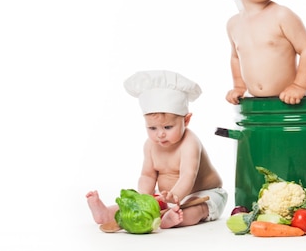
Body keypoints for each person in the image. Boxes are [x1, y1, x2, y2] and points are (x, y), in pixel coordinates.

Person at [86, 70, 228, 228]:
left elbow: (188, 175)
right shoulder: (150, 146)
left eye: (168, 127)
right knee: (139, 204)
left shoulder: (190, 142)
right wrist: (143, 198)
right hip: (168, 198)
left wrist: (175, 196)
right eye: (152, 128)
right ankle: (106, 213)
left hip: (205, 194)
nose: (160, 134)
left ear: (186, 120)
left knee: (196, 208)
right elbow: (147, 175)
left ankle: (173, 219)